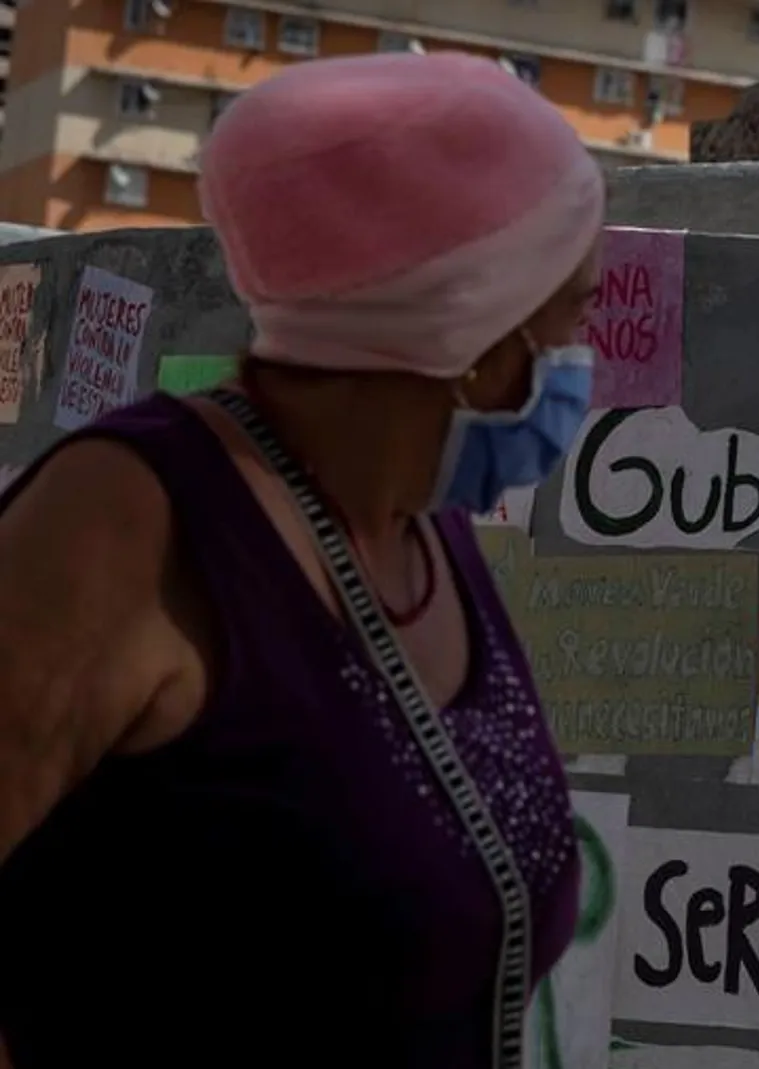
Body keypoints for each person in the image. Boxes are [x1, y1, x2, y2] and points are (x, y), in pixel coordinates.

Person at [0, 52, 604, 1069]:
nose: (590, 357)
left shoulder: (422, 528)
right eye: (575, 315)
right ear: (476, 341)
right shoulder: (129, 525)